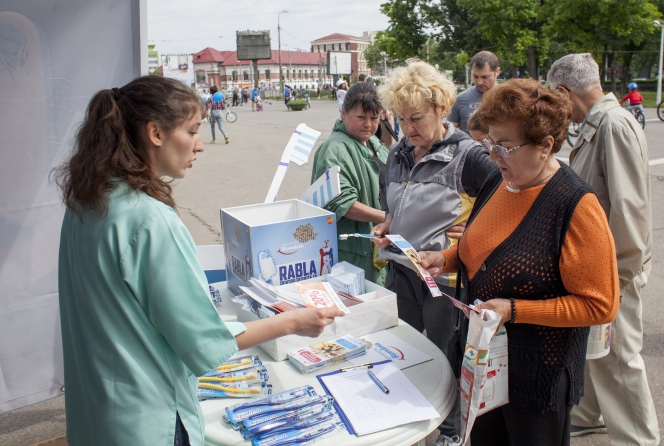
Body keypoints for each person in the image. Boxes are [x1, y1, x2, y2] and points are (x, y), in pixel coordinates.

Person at [53, 76, 344, 446]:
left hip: (97, 413)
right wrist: (293, 321)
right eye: (192, 131)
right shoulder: (150, 220)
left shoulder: (86, 201)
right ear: (155, 133)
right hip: (149, 419)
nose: (201, 145)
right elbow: (204, 342)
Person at [419, 78, 620, 446]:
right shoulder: (501, 180)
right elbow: (482, 249)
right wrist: (444, 259)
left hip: (536, 378)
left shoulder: (575, 205)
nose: (493, 156)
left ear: (545, 146)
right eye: (490, 143)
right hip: (483, 366)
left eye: (505, 146)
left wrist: (514, 309)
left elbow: (600, 304)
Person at [372, 59, 497, 444]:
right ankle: (410, 420)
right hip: (402, 273)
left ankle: (449, 432)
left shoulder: (468, 154)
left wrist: (476, 226)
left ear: (442, 109)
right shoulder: (397, 153)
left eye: (417, 119)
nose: (408, 129)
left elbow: (507, 197)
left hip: (445, 279)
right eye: (401, 119)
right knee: (403, 351)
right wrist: (388, 225)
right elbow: (394, 204)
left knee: (446, 357)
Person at [548, 53, 659, 445]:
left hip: (615, 269)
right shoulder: (603, 123)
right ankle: (589, 412)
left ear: (564, 92)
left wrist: (617, 277)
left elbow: (628, 210)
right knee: (596, 350)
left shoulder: (613, 125)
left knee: (619, 360)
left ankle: (638, 439)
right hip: (607, 266)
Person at [310, 82, 389, 286]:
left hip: (379, 245)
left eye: (374, 118)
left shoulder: (374, 142)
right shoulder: (334, 149)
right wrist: (389, 218)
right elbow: (341, 203)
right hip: (354, 252)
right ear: (344, 113)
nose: (368, 124)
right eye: (361, 117)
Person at [448, 51, 501, 133]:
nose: (479, 82)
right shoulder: (460, 99)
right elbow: (450, 134)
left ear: (497, 71)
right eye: (475, 76)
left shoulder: (508, 98)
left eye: (485, 77)